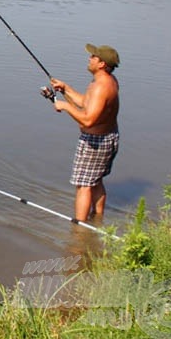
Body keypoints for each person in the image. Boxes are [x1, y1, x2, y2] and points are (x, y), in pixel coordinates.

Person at [50, 43, 120, 223]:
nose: (89, 59)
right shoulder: (107, 81)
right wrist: (66, 89)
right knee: (96, 181)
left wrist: (65, 106)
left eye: (93, 57)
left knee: (83, 185)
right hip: (108, 138)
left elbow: (88, 119)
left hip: (95, 143)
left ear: (102, 64)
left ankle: (79, 230)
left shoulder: (100, 87)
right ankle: (97, 220)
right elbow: (86, 103)